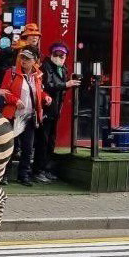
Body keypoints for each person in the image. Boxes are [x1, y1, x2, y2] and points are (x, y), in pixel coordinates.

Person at [0, 46, 52, 186]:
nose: (23, 61)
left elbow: (39, 92)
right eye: (22, 57)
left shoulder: (37, 75)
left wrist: (46, 97)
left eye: (27, 58)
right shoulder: (11, 72)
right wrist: (15, 100)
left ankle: (23, 175)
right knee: (10, 146)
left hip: (29, 116)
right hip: (13, 115)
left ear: (35, 61)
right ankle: (3, 175)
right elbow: (4, 91)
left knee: (28, 148)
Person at [34, 43, 81, 182]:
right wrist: (66, 84)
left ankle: (45, 168)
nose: (59, 57)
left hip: (55, 110)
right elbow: (48, 85)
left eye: (62, 55)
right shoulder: (46, 67)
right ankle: (38, 170)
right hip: (46, 108)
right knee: (43, 140)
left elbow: (60, 89)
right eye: (56, 54)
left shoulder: (63, 69)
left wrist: (67, 85)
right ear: (51, 54)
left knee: (51, 141)